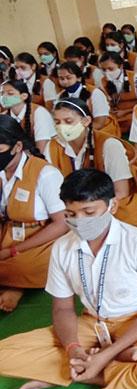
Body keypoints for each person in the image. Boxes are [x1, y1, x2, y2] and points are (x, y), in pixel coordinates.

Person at [0, 169, 137, 389]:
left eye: (89, 212)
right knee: (3, 355)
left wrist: (105, 355)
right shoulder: (63, 247)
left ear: (112, 206)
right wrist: (73, 349)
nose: (80, 221)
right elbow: (63, 308)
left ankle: (92, 370)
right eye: (70, 214)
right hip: (94, 323)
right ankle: (104, 360)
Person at [47, 98, 137, 230]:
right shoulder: (53, 146)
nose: (62, 126)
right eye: (57, 122)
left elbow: (121, 191)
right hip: (72, 207)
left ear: (86, 121)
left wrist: (88, 210)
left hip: (110, 203)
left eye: (68, 121)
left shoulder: (109, 145)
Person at [0, 116, 68, 313]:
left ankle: (16, 285)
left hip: (40, 239)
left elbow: (61, 224)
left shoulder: (45, 174)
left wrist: (13, 250)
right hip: (7, 230)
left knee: (23, 265)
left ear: (17, 146)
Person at [0, 79, 56, 154]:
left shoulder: (39, 113)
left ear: (24, 96)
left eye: (10, 93)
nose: (4, 97)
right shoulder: (4, 116)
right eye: (2, 93)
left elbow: (42, 149)